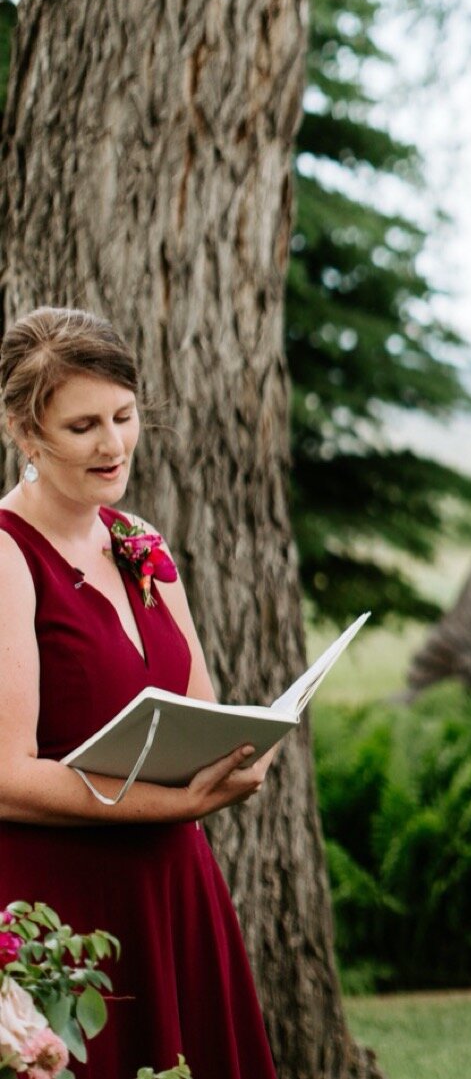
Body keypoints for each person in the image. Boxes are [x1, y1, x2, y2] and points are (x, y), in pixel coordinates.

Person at [0, 307, 279, 1078]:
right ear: (28, 434)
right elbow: (5, 774)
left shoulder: (139, 543)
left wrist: (240, 754)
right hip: (65, 908)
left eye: (124, 415)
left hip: (174, 889)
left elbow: (201, 706)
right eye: (83, 424)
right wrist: (177, 802)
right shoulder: (6, 557)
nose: (114, 443)